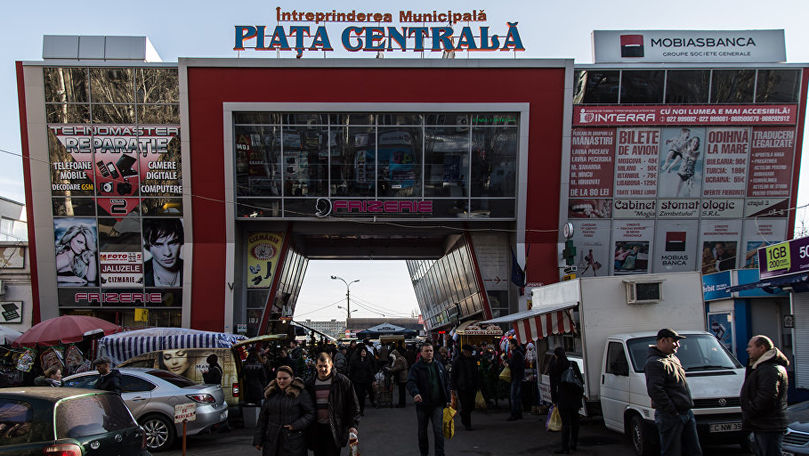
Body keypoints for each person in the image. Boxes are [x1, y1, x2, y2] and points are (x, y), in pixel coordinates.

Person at [644, 329, 702, 456]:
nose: (677, 345)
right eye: (674, 341)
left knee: (694, 451)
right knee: (672, 451)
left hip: (685, 412)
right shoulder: (655, 363)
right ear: (663, 341)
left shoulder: (673, 358)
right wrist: (673, 411)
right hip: (670, 416)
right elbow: (655, 391)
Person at [304, 352, 360, 456]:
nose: (323, 369)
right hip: (316, 429)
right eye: (320, 366)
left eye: (326, 366)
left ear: (331, 365)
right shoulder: (309, 383)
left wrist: (353, 425)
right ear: (316, 366)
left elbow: (353, 405)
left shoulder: (342, 381)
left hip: (335, 428)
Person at [741, 335, 789, 456]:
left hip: (768, 425)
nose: (747, 350)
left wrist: (750, 411)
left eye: (750, 346)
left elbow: (767, 396)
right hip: (764, 424)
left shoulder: (769, 369)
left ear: (762, 348)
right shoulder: (762, 366)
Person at [253, 365, 314, 456]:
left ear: (292, 378)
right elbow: (263, 418)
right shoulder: (271, 393)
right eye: (279, 378)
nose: (281, 381)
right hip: (272, 440)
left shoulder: (300, 393)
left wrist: (295, 425)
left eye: (285, 378)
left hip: (293, 441)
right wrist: (258, 439)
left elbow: (310, 413)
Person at [406, 342, 451, 456]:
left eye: (430, 351)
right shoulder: (416, 367)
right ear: (421, 353)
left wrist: (448, 399)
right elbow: (411, 382)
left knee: (438, 431)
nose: (429, 353)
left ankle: (440, 454)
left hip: (438, 404)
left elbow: (445, 383)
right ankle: (424, 453)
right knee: (422, 432)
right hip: (423, 405)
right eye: (426, 351)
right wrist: (415, 393)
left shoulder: (439, 365)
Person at [549, 347, 585, 454]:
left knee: (565, 423)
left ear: (555, 356)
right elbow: (580, 381)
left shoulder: (555, 367)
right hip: (574, 397)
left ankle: (565, 447)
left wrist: (554, 400)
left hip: (563, 397)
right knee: (575, 421)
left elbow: (553, 385)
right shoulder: (572, 364)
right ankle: (574, 443)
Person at [143, 218, 184, 287]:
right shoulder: (138, 273)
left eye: (173, 243)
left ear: (180, 242)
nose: (167, 253)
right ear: (148, 247)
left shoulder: (195, 270)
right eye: (158, 245)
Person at [451, 344, 479, 430]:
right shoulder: (458, 361)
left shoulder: (473, 360)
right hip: (462, 386)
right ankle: (467, 424)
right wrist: (453, 386)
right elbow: (454, 374)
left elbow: (476, 373)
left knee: (471, 405)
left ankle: (463, 414)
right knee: (465, 405)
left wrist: (478, 384)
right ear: (465, 352)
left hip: (472, 386)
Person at [349, 346, 374, 415]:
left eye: (365, 351)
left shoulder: (367, 360)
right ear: (360, 352)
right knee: (358, 396)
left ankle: (361, 411)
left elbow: (370, 370)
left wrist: (373, 379)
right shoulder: (355, 360)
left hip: (365, 381)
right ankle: (357, 409)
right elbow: (351, 371)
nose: (364, 353)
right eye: (363, 351)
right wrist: (350, 380)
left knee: (362, 397)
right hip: (357, 381)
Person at [507, 342, 525, 421]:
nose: (509, 346)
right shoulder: (518, 353)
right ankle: (518, 413)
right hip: (518, 376)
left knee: (514, 396)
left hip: (516, 377)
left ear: (513, 345)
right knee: (517, 396)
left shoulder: (516, 354)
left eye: (510, 344)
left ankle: (514, 414)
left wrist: (507, 365)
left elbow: (514, 366)